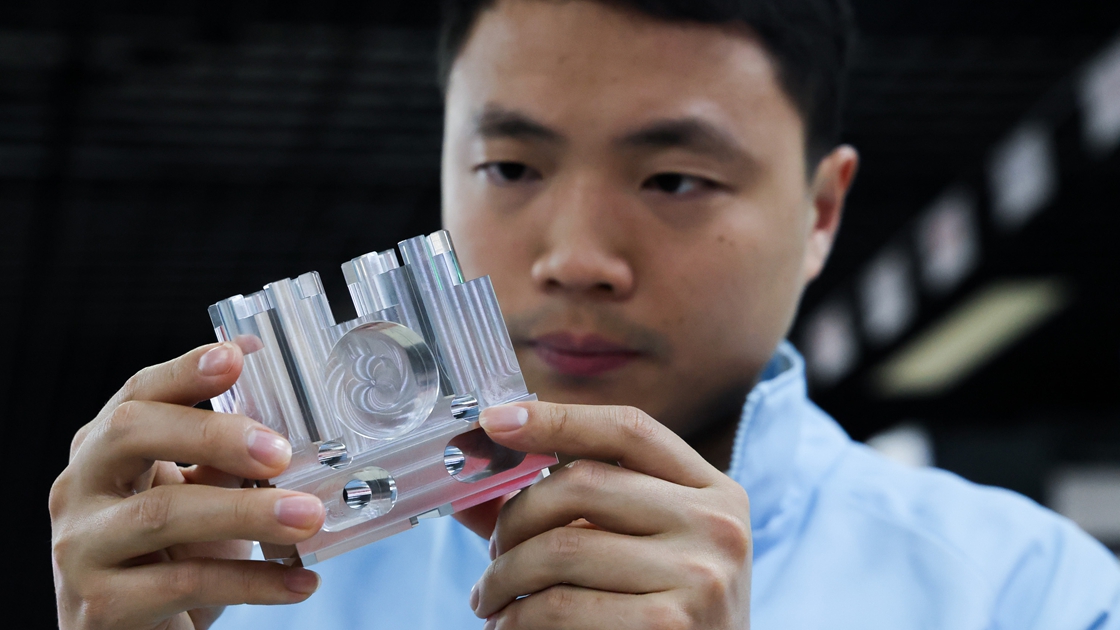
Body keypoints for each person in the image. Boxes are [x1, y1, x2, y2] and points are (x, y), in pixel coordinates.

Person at [49, 0, 1120, 628]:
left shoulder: (1030, 598)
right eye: (510, 166)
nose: (574, 259)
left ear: (821, 212)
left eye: (675, 180)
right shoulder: (247, 579)